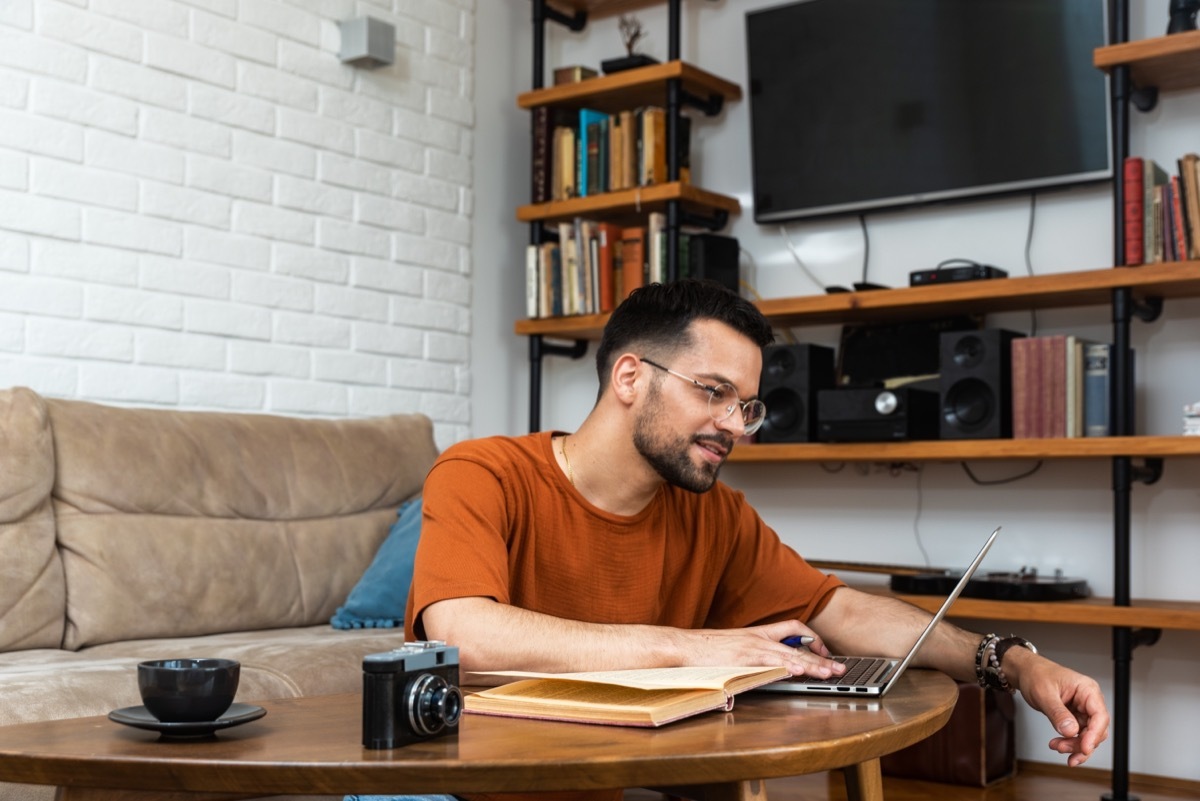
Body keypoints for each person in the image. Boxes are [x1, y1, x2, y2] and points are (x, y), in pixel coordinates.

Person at [405, 279, 1108, 800]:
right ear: (629, 376)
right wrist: (695, 645)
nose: (735, 425)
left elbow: (839, 608)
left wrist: (1010, 661)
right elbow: (463, 633)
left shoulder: (714, 513)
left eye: (745, 404)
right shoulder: (484, 471)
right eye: (712, 391)